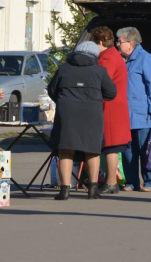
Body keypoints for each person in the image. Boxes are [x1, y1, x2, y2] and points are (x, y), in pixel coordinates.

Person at [47, 41, 117, 200]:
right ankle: (93, 189)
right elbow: (111, 93)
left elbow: (52, 90)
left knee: (65, 150)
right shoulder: (99, 71)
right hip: (91, 114)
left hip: (67, 114)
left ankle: (64, 190)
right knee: (92, 150)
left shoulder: (64, 69)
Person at [117, 27, 151, 192]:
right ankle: (131, 182)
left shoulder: (146, 59)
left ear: (130, 43)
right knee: (128, 150)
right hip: (126, 114)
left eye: (120, 42)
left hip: (144, 113)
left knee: (146, 148)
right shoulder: (124, 61)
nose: (117, 45)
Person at [90, 26, 131, 194]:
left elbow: (101, 81)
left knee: (110, 146)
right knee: (111, 146)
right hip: (116, 105)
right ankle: (111, 181)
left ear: (100, 42)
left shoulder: (106, 58)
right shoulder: (114, 55)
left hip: (109, 107)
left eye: (94, 43)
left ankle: (111, 182)